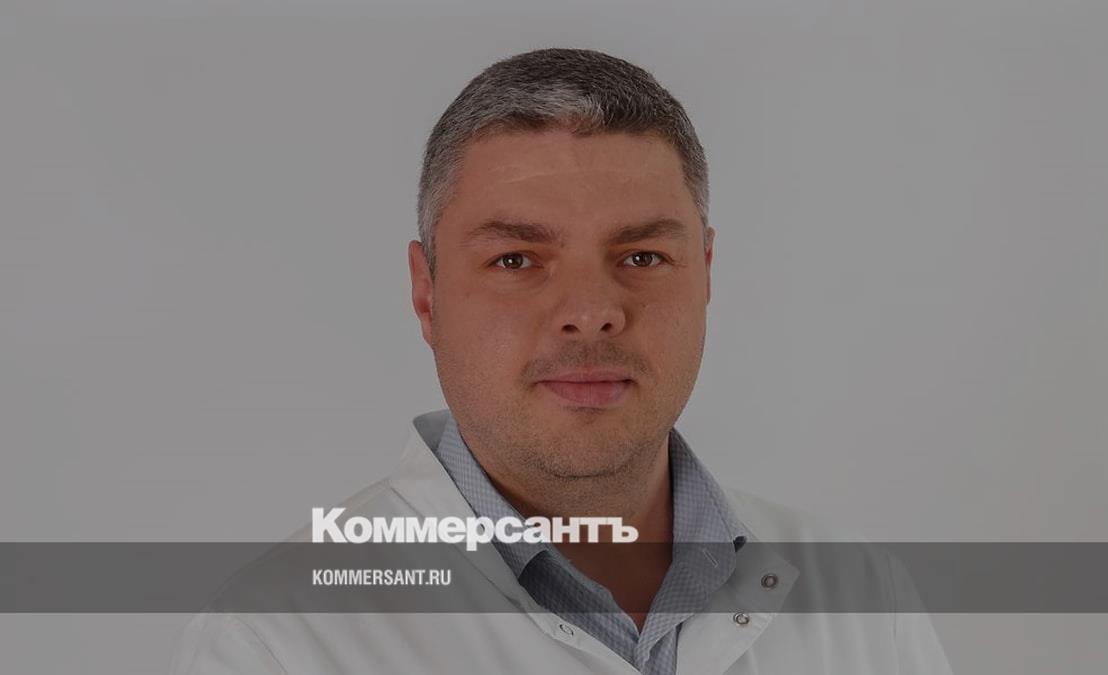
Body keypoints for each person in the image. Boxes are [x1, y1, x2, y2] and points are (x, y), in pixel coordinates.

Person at [169, 48, 953, 675]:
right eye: (516, 260)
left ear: (706, 275)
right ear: (426, 294)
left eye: (642, 256)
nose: (590, 309)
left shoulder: (862, 599)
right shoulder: (282, 640)